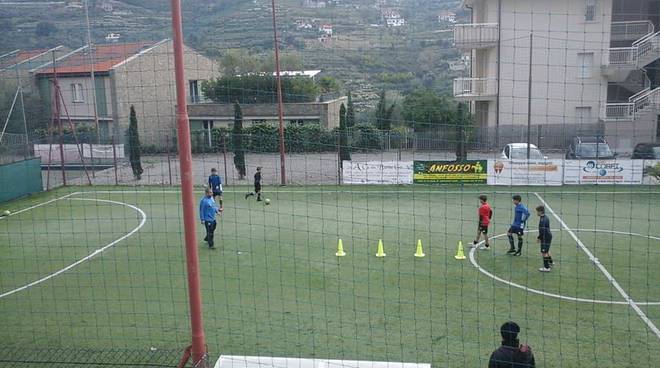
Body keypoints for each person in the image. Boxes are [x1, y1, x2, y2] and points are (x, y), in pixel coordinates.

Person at [536, 205, 554, 272]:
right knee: (547, 250)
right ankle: (551, 262)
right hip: (548, 236)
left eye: (537, 212)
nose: (537, 213)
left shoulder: (543, 220)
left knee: (544, 252)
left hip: (545, 237)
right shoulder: (545, 217)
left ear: (540, 211)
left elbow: (542, 230)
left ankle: (547, 268)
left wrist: (539, 238)